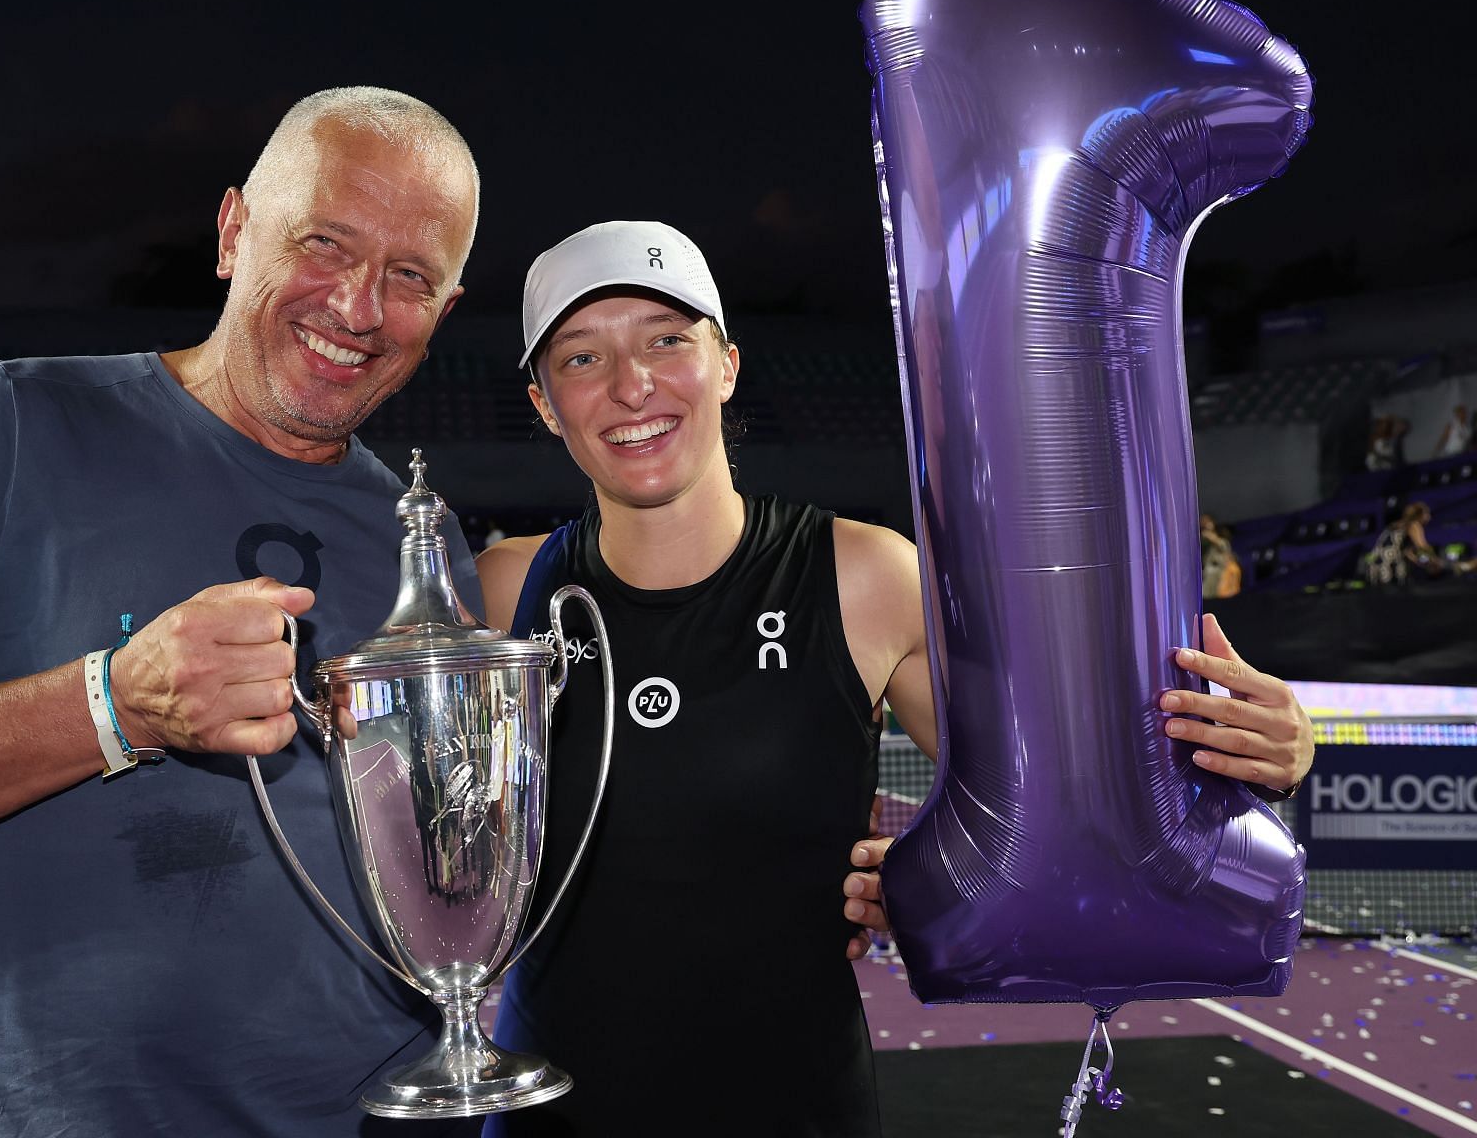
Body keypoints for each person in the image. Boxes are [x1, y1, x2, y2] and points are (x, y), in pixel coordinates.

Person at [0, 87, 486, 1137]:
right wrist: (115, 702)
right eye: (325, 244)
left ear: (444, 313)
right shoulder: (9, 423)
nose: (358, 308)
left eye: (410, 277)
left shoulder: (424, 537)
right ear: (233, 232)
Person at [472, 221, 1316, 1137]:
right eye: (583, 356)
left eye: (667, 339)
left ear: (727, 365)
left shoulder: (866, 576)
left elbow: (1075, 804)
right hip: (551, 1104)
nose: (632, 384)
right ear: (546, 403)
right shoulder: (505, 591)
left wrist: (1267, 747)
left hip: (793, 1103)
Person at [1363, 501, 1471, 583]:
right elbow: (1422, 546)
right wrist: (1436, 561)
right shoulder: (1414, 525)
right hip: (1389, 567)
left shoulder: (1396, 524)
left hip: (1374, 566)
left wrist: (1421, 563)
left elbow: (1405, 552)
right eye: (1427, 513)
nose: (1430, 517)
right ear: (1420, 515)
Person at [1201, 513, 1242, 599]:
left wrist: (1211, 536)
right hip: (1206, 574)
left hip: (1217, 575)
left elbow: (1223, 546)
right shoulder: (1205, 543)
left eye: (1207, 522)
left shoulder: (1221, 542)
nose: (1205, 525)